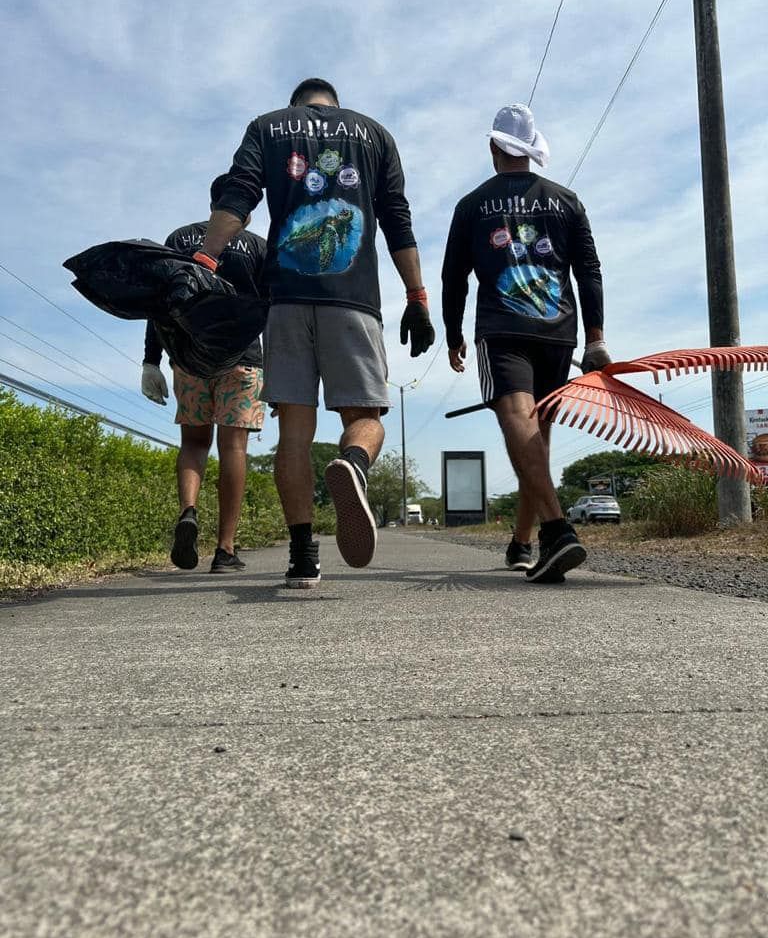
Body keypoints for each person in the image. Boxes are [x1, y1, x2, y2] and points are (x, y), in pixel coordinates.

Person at [188, 78, 434, 588]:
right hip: (354, 299)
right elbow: (397, 219)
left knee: (293, 433)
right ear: (335, 103)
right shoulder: (376, 135)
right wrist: (417, 298)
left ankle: (303, 556)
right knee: (364, 416)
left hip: (287, 299)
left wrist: (208, 256)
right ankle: (353, 464)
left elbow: (239, 195)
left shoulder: (268, 126)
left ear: (298, 101)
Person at [441, 104, 611, 584]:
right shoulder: (567, 200)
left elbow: (454, 278)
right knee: (537, 438)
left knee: (520, 424)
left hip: (502, 329)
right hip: (559, 331)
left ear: (494, 148)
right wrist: (596, 338)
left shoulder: (471, 205)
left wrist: (454, 335)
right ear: (531, 151)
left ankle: (557, 531)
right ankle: (522, 541)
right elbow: (589, 271)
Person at [141, 175, 267, 573]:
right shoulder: (259, 248)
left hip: (189, 358)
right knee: (234, 449)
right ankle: (225, 550)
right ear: (246, 208)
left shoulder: (179, 239)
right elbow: (274, 311)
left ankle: (189, 511)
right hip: (243, 359)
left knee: (194, 443)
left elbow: (161, 301)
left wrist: (152, 360)